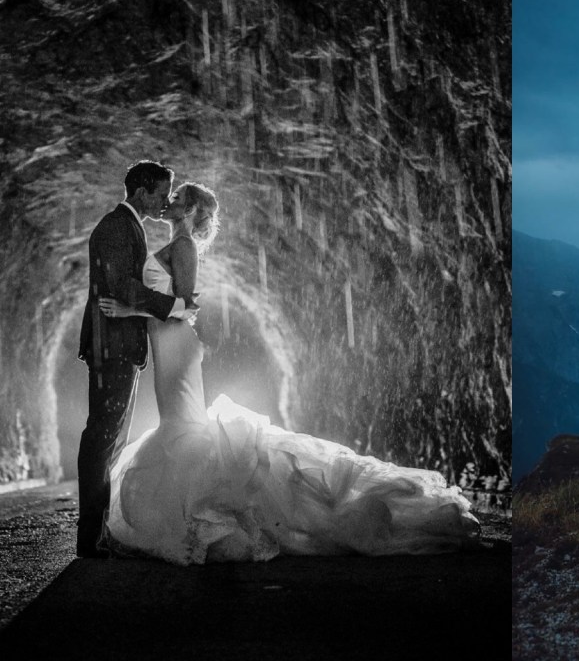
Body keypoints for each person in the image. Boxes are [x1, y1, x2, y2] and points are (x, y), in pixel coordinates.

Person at [97, 181, 479, 565]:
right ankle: (194, 510)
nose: (168, 202)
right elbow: (173, 303)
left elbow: (186, 305)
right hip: (166, 345)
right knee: (180, 425)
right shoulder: (174, 244)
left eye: (177, 198)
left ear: (193, 210)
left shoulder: (183, 247)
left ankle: (211, 514)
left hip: (177, 346)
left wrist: (131, 311)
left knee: (183, 426)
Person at [76, 160, 197, 558]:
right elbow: (121, 284)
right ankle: (89, 538)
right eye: (162, 193)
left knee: (112, 437)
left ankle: (99, 533)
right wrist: (174, 305)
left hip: (121, 345)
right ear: (142, 191)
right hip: (111, 344)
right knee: (101, 436)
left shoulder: (130, 226)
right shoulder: (116, 226)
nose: (165, 201)